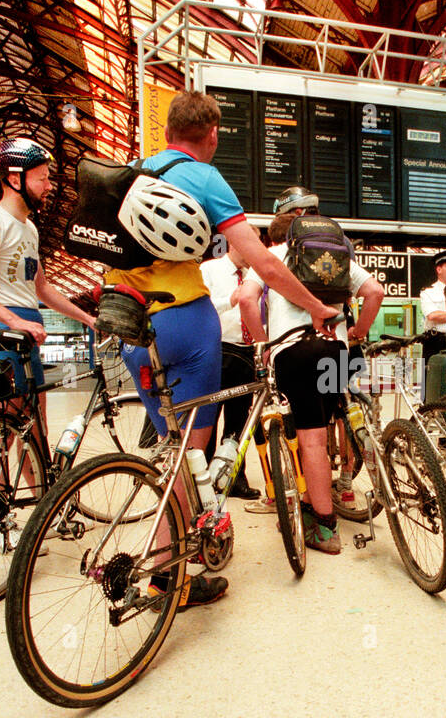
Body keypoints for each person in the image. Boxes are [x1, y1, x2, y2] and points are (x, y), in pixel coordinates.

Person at [114, 92, 340, 606]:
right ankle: (169, 578)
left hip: (131, 326)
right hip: (184, 325)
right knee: (191, 456)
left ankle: (175, 558)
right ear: (212, 134)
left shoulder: (133, 173)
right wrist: (316, 307)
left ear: (167, 132)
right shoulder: (204, 177)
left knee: (173, 455)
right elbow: (266, 264)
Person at [237, 208, 384, 554]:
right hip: (336, 351)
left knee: (311, 440)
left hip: (294, 351)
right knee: (322, 429)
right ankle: (313, 501)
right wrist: (358, 331)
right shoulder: (337, 255)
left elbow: (245, 299)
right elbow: (375, 292)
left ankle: (325, 525)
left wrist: (263, 344)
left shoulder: (273, 255)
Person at [0, 137, 96, 424]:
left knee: (35, 426)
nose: (49, 186)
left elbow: (41, 287)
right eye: (42, 179)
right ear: (14, 179)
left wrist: (88, 318)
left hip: (26, 333)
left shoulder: (29, 228)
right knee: (1, 430)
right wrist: (14, 320)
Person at [199, 235, 262, 500]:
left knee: (238, 420)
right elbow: (200, 309)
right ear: (234, 243)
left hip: (245, 352)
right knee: (208, 418)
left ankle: (234, 478)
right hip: (216, 349)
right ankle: (202, 480)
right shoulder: (209, 269)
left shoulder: (253, 277)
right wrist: (231, 299)